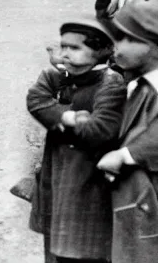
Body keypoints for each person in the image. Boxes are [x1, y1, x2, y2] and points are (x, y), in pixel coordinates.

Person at [27, 17, 126, 263]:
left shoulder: (110, 82)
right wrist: (69, 117)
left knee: (83, 247)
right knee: (55, 245)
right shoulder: (62, 76)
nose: (66, 54)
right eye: (63, 47)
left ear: (102, 49)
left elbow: (100, 130)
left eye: (75, 48)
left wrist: (55, 121)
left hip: (87, 180)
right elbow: (36, 100)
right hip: (58, 175)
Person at [98, 0, 158, 263]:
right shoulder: (136, 83)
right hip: (134, 196)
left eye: (126, 40)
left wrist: (127, 155)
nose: (116, 48)